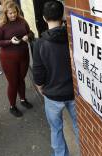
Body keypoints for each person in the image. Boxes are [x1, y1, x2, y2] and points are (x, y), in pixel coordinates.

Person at [32, 1, 79, 156]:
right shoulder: (73, 38)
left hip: (52, 95)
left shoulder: (40, 43)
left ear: (44, 18)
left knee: (56, 129)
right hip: (73, 93)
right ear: (62, 15)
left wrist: (41, 88)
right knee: (79, 127)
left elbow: (38, 74)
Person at [0, 0, 33, 117]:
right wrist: (9, 41)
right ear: (5, 13)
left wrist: (27, 36)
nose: (13, 15)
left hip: (24, 56)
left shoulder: (22, 21)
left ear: (17, 11)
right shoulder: (1, 25)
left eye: (14, 12)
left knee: (21, 79)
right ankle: (12, 106)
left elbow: (30, 33)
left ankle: (23, 99)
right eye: (10, 13)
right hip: (8, 59)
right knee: (13, 82)